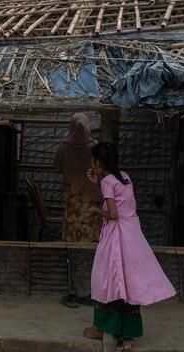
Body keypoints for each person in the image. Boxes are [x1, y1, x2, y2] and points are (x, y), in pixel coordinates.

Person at [84, 142, 176, 351]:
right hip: (132, 235)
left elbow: (113, 214)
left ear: (98, 162)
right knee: (130, 282)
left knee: (110, 281)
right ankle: (128, 338)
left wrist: (95, 210)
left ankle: (108, 327)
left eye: (93, 161)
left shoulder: (107, 181)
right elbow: (120, 203)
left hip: (116, 236)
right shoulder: (124, 177)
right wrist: (97, 182)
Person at [52, 113, 102, 307]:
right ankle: (91, 290)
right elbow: (101, 172)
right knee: (92, 245)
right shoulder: (94, 148)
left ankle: (73, 290)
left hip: (73, 203)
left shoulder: (63, 147)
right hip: (91, 204)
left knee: (72, 246)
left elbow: (56, 168)